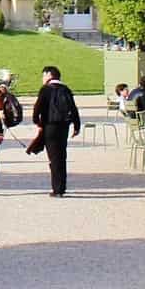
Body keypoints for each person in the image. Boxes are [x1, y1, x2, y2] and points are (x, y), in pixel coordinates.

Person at [31, 65, 82, 196]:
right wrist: (76, 125)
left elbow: (38, 107)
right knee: (61, 155)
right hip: (64, 126)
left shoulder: (45, 89)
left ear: (49, 75)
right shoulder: (66, 89)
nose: (42, 78)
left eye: (43, 75)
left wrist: (37, 121)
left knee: (54, 158)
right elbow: (73, 108)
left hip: (50, 126)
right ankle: (62, 186)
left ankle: (57, 189)